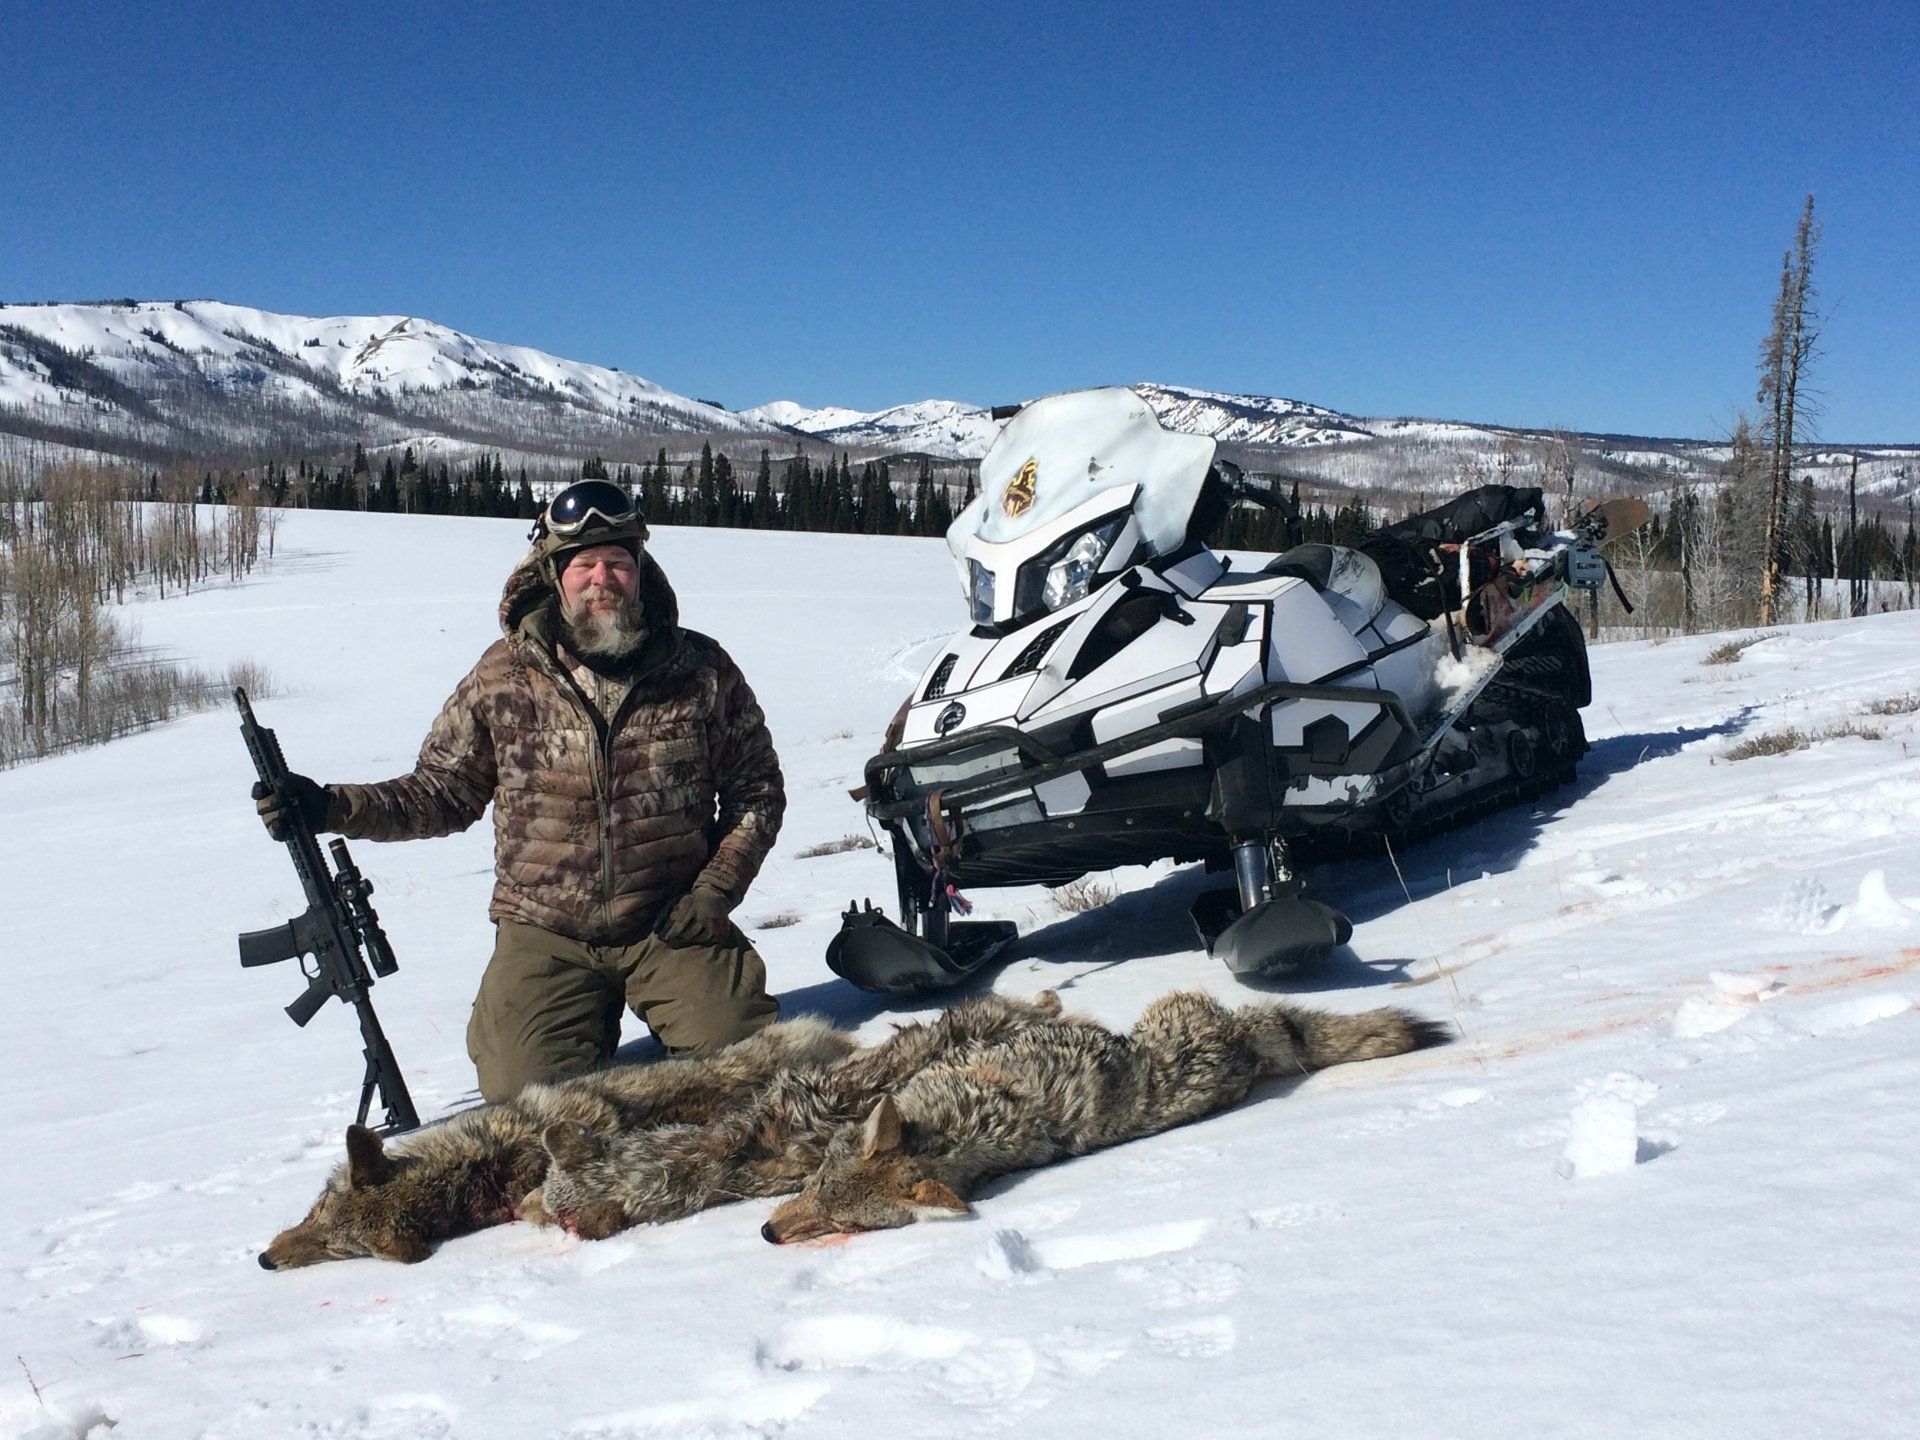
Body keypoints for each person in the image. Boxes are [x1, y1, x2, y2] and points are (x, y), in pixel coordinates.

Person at [255, 478, 785, 1102]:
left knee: (748, 1061)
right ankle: (579, 1023)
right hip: (547, 930)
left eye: (617, 562)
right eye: (583, 564)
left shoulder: (701, 670)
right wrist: (328, 805)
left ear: (640, 572)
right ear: (553, 574)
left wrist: (713, 893)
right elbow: (441, 792)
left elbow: (757, 793)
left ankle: (671, 1015)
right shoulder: (502, 676)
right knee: (520, 1092)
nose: (601, 579)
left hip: (668, 920)